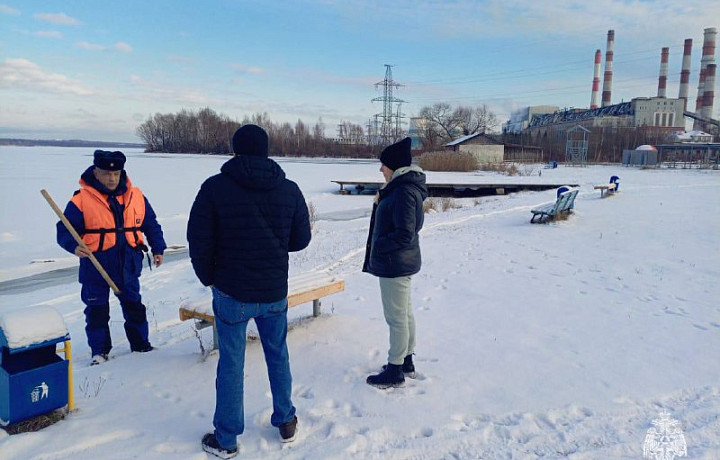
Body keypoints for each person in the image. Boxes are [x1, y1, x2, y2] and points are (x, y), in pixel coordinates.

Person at [187, 124, 311, 459]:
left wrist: (209, 277)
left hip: (231, 293)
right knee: (277, 354)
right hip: (273, 292)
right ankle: (286, 422)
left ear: (236, 150)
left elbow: (198, 239)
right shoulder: (289, 189)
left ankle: (226, 438)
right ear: (266, 150)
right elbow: (301, 240)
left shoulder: (214, 188)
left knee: (231, 362)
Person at [56, 150, 166, 365]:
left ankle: (141, 344)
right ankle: (99, 351)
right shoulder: (81, 200)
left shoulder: (137, 196)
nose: (112, 178)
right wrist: (73, 245)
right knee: (96, 310)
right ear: (96, 172)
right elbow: (64, 229)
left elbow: (151, 224)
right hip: (95, 264)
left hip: (128, 263)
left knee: (134, 306)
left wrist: (158, 248)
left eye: (116, 174)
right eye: (106, 173)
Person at [362, 137, 428, 389]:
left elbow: (405, 233)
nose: (381, 169)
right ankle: (406, 360)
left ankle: (395, 369)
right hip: (400, 262)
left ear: (395, 167)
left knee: (396, 317)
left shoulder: (402, 191)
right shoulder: (401, 188)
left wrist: (380, 245)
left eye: (383, 165)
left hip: (395, 264)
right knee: (404, 313)